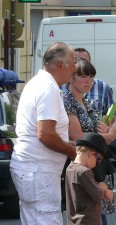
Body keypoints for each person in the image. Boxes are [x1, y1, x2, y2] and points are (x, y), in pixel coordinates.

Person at [9, 42, 77, 224]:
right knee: (46, 219)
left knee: (34, 218)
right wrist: (70, 151)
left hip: (33, 169)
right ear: (61, 65)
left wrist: (64, 143)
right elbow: (45, 134)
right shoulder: (48, 89)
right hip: (39, 170)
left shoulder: (38, 83)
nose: (75, 68)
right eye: (73, 62)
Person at [63, 57, 116, 225]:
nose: (89, 81)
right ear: (71, 78)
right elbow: (78, 136)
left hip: (96, 163)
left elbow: (112, 127)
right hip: (84, 166)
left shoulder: (89, 102)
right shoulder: (67, 101)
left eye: (91, 77)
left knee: (99, 212)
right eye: (83, 76)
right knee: (88, 213)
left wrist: (109, 132)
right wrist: (106, 137)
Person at [65, 132, 114, 225]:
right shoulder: (84, 172)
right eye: (98, 159)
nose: (97, 164)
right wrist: (102, 187)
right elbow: (97, 196)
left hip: (74, 221)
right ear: (91, 154)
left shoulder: (70, 168)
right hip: (88, 221)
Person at [74, 48, 115, 117]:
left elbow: (112, 114)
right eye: (77, 61)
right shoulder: (61, 86)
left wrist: (107, 125)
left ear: (90, 63)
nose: (81, 65)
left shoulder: (103, 87)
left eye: (85, 62)